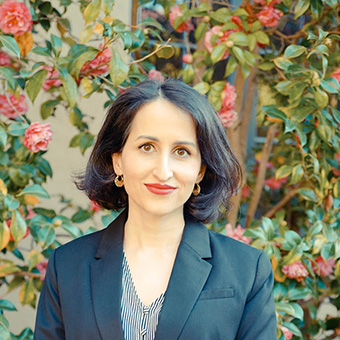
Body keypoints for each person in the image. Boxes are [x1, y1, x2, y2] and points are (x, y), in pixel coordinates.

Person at [34, 79, 277, 340]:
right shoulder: (68, 266)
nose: (163, 172)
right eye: (146, 147)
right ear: (118, 161)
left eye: (181, 151)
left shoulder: (247, 270)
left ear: (200, 171)